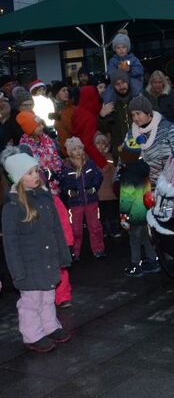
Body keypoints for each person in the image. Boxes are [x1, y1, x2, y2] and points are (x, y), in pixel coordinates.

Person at [1, 148, 72, 352]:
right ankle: (32, 335)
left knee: (48, 296)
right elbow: (11, 244)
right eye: (30, 173)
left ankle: (50, 326)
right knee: (31, 301)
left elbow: (56, 228)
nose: (36, 176)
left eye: (36, 171)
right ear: (19, 178)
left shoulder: (44, 198)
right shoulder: (12, 208)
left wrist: (62, 255)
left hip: (47, 259)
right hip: (28, 264)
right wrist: (17, 273)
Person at [118, 135, 160, 277]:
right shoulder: (143, 170)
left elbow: (126, 198)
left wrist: (124, 215)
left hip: (133, 212)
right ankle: (153, 260)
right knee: (144, 236)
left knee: (134, 239)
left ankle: (136, 265)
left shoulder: (128, 174)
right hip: (145, 210)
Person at [59, 137, 105, 260]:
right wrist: (69, 191)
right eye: (74, 149)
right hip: (75, 203)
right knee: (75, 229)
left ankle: (98, 249)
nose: (78, 151)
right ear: (69, 152)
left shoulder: (90, 163)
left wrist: (94, 187)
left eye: (80, 148)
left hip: (91, 200)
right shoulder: (66, 167)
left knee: (95, 226)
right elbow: (62, 183)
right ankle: (74, 252)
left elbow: (98, 176)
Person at [129, 94, 174, 188]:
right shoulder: (131, 133)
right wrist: (118, 179)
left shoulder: (168, 130)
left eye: (138, 113)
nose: (135, 118)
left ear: (148, 113)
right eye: (133, 115)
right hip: (137, 188)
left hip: (162, 187)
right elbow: (125, 158)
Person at [97, 70, 134, 164]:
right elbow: (104, 130)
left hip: (142, 152)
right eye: (117, 84)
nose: (121, 86)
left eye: (123, 82)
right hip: (120, 154)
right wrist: (102, 116)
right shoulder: (110, 104)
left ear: (128, 82)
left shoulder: (138, 100)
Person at [72, 85, 108, 170]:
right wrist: (103, 163)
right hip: (89, 158)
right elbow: (87, 143)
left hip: (78, 153)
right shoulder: (89, 117)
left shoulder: (78, 110)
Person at [103, 30, 144, 103]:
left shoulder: (133, 59)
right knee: (109, 90)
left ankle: (137, 100)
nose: (121, 50)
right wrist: (117, 71)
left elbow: (140, 70)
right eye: (118, 48)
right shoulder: (113, 60)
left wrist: (130, 69)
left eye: (123, 47)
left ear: (127, 48)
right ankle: (109, 104)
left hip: (131, 79)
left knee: (135, 85)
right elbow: (110, 73)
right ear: (115, 50)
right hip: (118, 82)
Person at [94, 132, 120, 238]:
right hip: (99, 192)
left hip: (110, 190)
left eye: (103, 143)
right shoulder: (92, 158)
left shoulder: (110, 157)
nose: (101, 145)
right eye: (98, 143)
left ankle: (114, 229)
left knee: (112, 212)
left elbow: (114, 170)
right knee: (102, 214)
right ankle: (103, 230)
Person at [50, 80, 74, 157]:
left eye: (67, 90)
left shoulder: (71, 109)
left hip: (74, 151)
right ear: (56, 94)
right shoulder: (55, 109)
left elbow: (73, 130)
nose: (67, 92)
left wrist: (61, 118)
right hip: (63, 152)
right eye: (63, 90)